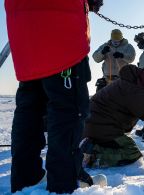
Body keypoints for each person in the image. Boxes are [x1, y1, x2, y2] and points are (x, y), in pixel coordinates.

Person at [5, 0, 103, 193]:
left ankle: (26, 180)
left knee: (29, 108)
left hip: (22, 26)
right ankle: (64, 184)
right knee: (67, 111)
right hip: (60, 26)